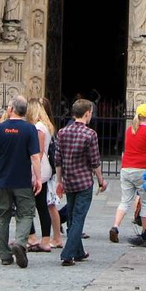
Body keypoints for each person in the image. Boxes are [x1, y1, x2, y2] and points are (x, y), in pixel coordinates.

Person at [0, 96, 41, 268]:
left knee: (2, 216)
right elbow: (34, 157)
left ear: (11, 109)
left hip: (3, 180)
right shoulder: (30, 129)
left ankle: (4, 255)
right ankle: (20, 242)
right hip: (23, 180)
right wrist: (38, 178)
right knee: (25, 214)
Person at [56, 98, 106, 266]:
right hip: (84, 181)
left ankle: (78, 252)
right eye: (91, 113)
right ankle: (68, 254)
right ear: (86, 113)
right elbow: (95, 161)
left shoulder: (62, 132)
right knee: (78, 218)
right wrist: (101, 180)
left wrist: (59, 181)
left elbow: (58, 160)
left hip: (69, 180)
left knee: (71, 216)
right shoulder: (90, 134)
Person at [111, 103, 146, 243]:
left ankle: (115, 226)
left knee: (125, 201)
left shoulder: (130, 129)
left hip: (126, 168)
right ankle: (145, 233)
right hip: (141, 169)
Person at [24, 100, 61, 250]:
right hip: (42, 168)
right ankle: (40, 238)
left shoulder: (38, 127)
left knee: (28, 204)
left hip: (37, 168)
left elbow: (37, 152)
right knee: (41, 205)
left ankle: (35, 237)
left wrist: (34, 173)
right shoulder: (44, 126)